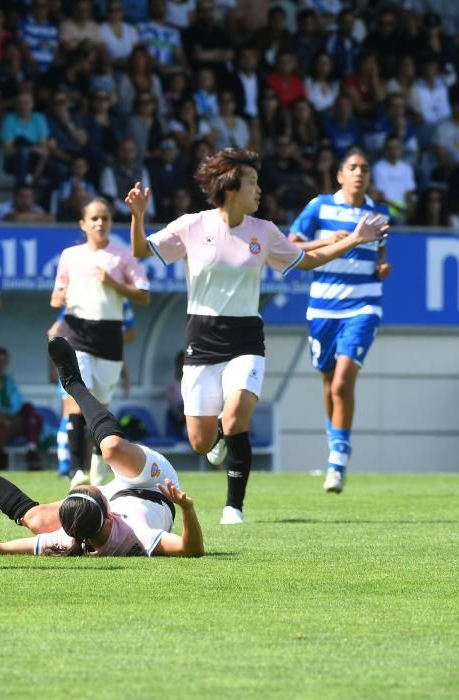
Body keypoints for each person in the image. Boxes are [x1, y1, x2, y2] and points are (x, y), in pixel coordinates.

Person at [125, 148, 389, 524]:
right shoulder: (192, 225)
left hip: (246, 338)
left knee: (235, 419)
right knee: (201, 442)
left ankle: (234, 506)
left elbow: (306, 259)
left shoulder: (263, 231)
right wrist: (138, 217)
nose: (260, 190)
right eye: (252, 182)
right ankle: (217, 443)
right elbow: (140, 250)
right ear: (231, 187)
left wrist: (355, 239)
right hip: (201, 338)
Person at [0, 338, 205, 557]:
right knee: (111, 449)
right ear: (110, 514)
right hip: (155, 485)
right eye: (91, 490)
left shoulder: (67, 539)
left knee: (33, 520)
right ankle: (74, 384)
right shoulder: (137, 535)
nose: (89, 484)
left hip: (115, 501)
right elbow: (192, 550)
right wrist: (187, 509)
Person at [288, 147, 391, 495]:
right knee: (329, 381)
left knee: (343, 383)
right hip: (323, 309)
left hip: (363, 306)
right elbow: (292, 244)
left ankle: (338, 459)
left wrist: (382, 267)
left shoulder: (379, 212)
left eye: (364, 167)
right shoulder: (319, 206)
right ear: (340, 175)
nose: (359, 172)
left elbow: (380, 255)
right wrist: (327, 240)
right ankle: (336, 440)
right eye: (353, 167)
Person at [51, 197, 150, 488]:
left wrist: (114, 283)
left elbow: (144, 295)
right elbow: (56, 295)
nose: (100, 223)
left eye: (105, 218)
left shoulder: (123, 255)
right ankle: (75, 470)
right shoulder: (70, 255)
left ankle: (96, 458)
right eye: (94, 218)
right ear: (83, 224)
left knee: (101, 404)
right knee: (77, 398)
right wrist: (60, 297)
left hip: (108, 338)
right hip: (75, 332)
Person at [0, 347, 44, 471]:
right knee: (2, 422)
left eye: (4, 362)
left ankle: (32, 449)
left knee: (32, 415)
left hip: (9, 417)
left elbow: (17, 403)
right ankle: (0, 457)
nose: (1, 365)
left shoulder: (9, 380)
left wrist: (7, 414)